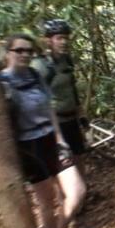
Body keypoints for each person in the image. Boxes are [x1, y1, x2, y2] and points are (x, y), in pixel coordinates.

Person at [0, 33, 85, 228]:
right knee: (47, 202)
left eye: (29, 51)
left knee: (77, 191)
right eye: (19, 50)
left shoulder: (35, 76)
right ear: (8, 52)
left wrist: (60, 139)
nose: (25, 54)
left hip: (51, 140)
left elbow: (49, 109)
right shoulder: (0, 82)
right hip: (29, 148)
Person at [31, 20, 87, 176]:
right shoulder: (40, 66)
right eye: (59, 38)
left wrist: (81, 115)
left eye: (66, 38)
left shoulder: (66, 59)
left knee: (79, 156)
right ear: (49, 40)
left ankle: (86, 192)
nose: (64, 42)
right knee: (64, 164)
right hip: (55, 125)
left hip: (71, 119)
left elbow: (72, 89)